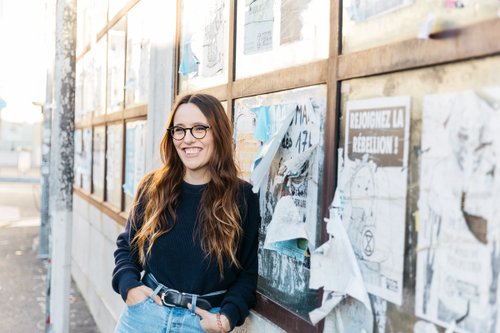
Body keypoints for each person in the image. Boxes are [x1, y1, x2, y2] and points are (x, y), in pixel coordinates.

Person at [112, 93, 261, 333]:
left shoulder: (243, 198)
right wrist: (129, 286)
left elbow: (248, 273)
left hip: (201, 324)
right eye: (179, 130)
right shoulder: (153, 187)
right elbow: (127, 247)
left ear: (218, 134)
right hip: (144, 316)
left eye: (199, 129)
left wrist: (227, 318)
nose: (187, 139)